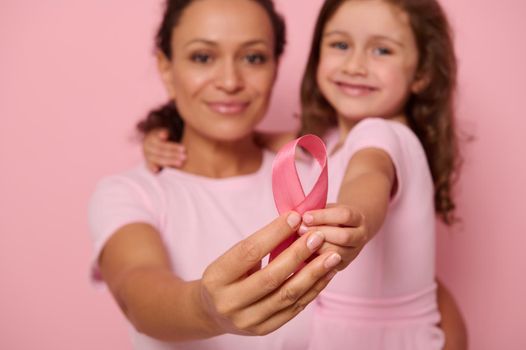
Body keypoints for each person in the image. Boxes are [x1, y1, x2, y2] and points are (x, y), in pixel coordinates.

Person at [140, 0, 468, 349]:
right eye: (340, 45)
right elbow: (258, 138)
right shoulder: (328, 143)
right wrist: (166, 134)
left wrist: (355, 220)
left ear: (421, 73)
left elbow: (368, 176)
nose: (355, 65)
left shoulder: (381, 136)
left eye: (382, 50)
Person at [89, 0, 364, 349]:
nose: (231, 81)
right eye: (203, 57)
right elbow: (137, 293)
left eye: (253, 58)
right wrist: (206, 309)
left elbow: (411, 295)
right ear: (167, 69)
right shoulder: (130, 193)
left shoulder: (321, 174)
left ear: (276, 68)